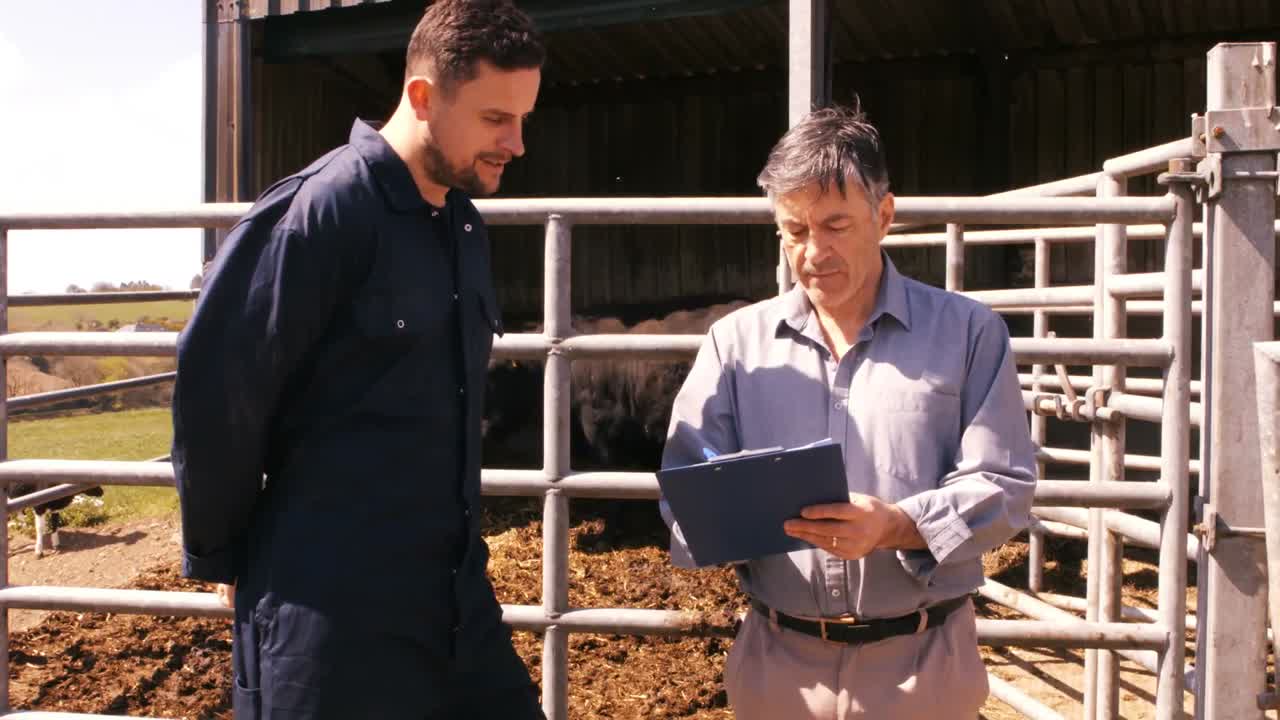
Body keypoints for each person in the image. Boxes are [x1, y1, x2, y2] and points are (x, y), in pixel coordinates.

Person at [171, 2, 546, 717]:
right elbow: (219, 389)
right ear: (423, 98)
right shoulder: (324, 211)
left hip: (454, 596)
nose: (517, 143)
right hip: (333, 609)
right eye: (498, 118)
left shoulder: (462, 227)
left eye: (522, 118)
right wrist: (228, 558)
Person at [659, 103, 1037, 719]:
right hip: (778, 666)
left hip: (922, 666)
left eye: (835, 225)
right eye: (795, 231)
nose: (813, 252)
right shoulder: (735, 343)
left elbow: (1004, 488)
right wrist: (717, 517)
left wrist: (896, 526)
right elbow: (684, 488)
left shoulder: (968, 334)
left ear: (883, 215)